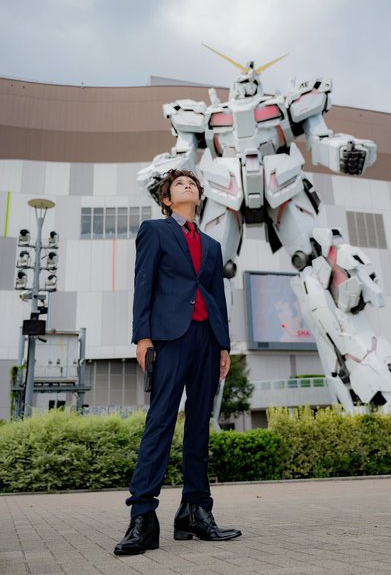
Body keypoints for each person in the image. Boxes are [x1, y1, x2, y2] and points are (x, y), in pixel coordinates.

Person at [114, 169, 242, 556]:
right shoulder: (155, 231)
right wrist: (143, 336)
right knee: (160, 423)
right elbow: (143, 283)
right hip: (170, 339)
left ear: (199, 197)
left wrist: (223, 345)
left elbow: (216, 297)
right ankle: (142, 517)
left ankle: (195, 512)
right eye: (179, 184)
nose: (188, 186)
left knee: (200, 427)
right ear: (167, 200)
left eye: (193, 184)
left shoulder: (213, 246)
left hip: (207, 341)